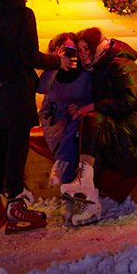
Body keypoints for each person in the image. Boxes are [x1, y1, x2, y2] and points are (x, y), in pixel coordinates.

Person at [0, 0, 75, 233]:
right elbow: (29, 56)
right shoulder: (22, 14)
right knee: (17, 147)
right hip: (17, 91)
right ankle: (15, 206)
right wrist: (58, 61)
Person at [60, 27, 137, 225]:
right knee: (91, 127)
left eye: (86, 49)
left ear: (95, 47)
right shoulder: (100, 66)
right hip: (126, 116)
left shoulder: (119, 63)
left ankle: (86, 192)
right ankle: (87, 195)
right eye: (79, 50)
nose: (82, 55)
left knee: (92, 120)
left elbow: (128, 100)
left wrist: (91, 107)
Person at [38, 33, 93, 188]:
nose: (70, 54)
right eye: (65, 49)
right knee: (68, 141)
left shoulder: (85, 72)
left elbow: (94, 98)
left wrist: (79, 106)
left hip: (79, 119)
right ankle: (67, 196)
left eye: (73, 50)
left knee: (76, 139)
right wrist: (56, 64)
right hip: (57, 120)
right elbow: (42, 90)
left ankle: (61, 169)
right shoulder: (51, 73)